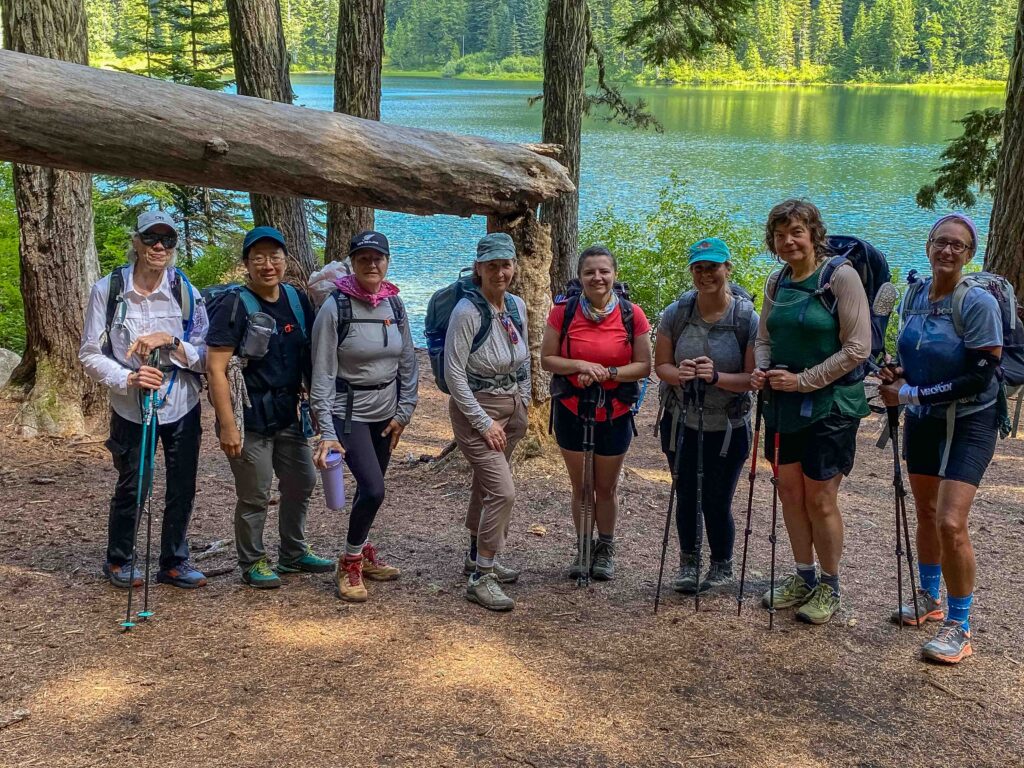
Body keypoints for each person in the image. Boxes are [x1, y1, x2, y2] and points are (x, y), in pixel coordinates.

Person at [879, 213, 1002, 664]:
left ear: (969, 254)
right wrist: (897, 372)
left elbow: (981, 374)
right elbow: (912, 354)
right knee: (926, 512)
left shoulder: (977, 304)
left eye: (958, 246)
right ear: (929, 246)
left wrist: (908, 392)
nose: (948, 251)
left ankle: (960, 624)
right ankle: (929, 599)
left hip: (971, 420)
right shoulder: (914, 294)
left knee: (951, 522)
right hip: (925, 418)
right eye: (941, 243)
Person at [751, 199, 870, 625]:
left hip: (831, 405)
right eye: (781, 235)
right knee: (789, 492)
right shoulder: (776, 281)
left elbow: (858, 348)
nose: (788, 241)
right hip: (783, 404)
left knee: (820, 498)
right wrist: (762, 370)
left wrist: (803, 381)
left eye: (797, 232)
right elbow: (764, 337)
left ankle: (830, 586)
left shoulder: (840, 278)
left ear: (813, 234)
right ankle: (803, 576)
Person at [80, 210, 208, 589]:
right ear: (136, 241)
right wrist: (128, 377)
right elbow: (89, 352)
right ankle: (119, 559)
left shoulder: (185, 290)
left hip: (181, 402)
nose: (159, 247)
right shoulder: (109, 290)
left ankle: (174, 561)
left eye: (167, 240)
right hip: (131, 405)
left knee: (182, 484)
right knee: (134, 482)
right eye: (151, 238)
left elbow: (205, 351)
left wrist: (169, 342)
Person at [206, 226, 333, 589]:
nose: (267, 265)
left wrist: (320, 411)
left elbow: (309, 356)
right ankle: (252, 560)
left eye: (274, 256)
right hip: (248, 417)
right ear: (246, 263)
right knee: (256, 492)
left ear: (285, 260)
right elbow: (216, 367)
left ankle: (292, 552)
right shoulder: (235, 304)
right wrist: (227, 425)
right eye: (258, 257)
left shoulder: (296, 299)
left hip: (288, 412)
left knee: (301, 481)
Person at [311, 230, 419, 603]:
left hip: (386, 414)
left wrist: (404, 412)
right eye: (363, 258)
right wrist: (326, 431)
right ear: (352, 263)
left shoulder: (395, 305)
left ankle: (363, 547)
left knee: (369, 491)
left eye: (378, 258)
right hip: (347, 413)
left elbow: (407, 361)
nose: (371, 264)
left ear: (387, 261)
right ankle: (350, 561)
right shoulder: (335, 308)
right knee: (374, 489)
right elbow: (322, 373)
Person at [541, 245, 651, 580]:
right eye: (590, 272)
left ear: (614, 275)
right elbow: (548, 359)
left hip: (614, 411)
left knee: (606, 487)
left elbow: (644, 365)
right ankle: (583, 547)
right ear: (580, 276)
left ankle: (605, 547)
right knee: (581, 486)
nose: (597, 277)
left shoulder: (633, 314)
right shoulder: (564, 312)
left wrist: (609, 373)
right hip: (573, 407)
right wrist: (581, 365)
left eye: (604, 271)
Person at [655, 238, 758, 594]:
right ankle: (688, 563)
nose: (706, 274)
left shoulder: (746, 318)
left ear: (728, 268)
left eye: (713, 267)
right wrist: (680, 374)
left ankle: (721, 565)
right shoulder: (677, 312)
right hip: (681, 420)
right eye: (699, 267)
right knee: (686, 492)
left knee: (716, 498)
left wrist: (715, 377)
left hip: (728, 425)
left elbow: (751, 379)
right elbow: (661, 366)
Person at [446, 232, 531, 612]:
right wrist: (482, 423)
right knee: (503, 491)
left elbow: (525, 359)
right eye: (492, 265)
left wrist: (524, 400)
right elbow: (453, 375)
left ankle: (475, 554)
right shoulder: (466, 312)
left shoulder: (516, 306)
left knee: (486, 485)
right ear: (478, 268)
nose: (500, 272)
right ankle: (482, 576)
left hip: (511, 410)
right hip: (476, 413)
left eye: (506, 264)